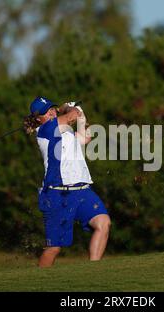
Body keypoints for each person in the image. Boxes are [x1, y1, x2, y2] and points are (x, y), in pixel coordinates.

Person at [24, 96, 111, 268]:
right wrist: (69, 108)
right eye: (45, 111)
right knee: (54, 248)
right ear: (38, 119)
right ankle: (37, 282)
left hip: (82, 190)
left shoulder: (66, 131)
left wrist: (81, 117)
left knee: (103, 223)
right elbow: (71, 116)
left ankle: (93, 273)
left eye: (51, 108)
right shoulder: (46, 130)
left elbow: (86, 137)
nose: (50, 112)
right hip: (57, 194)